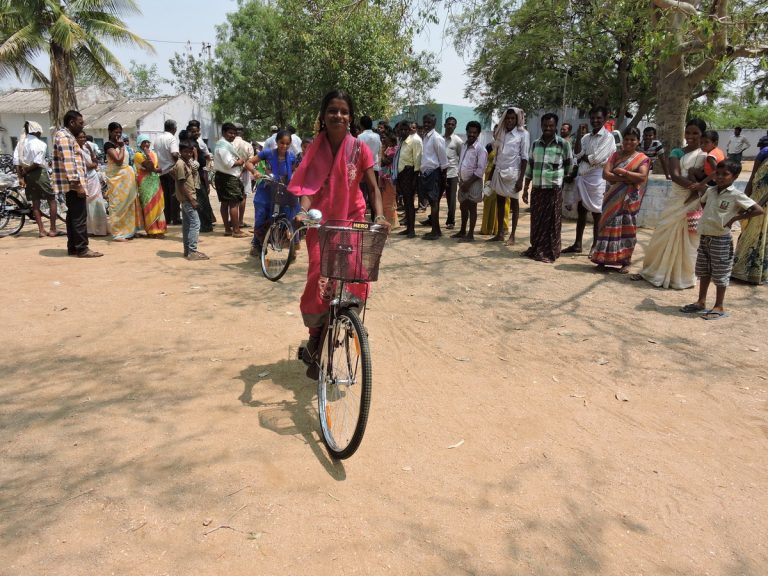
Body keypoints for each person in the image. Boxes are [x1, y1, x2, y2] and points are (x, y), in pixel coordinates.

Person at [287, 90, 389, 378]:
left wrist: (379, 216)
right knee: (318, 277)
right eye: (333, 110)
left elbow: (373, 187)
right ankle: (316, 337)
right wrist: (302, 212)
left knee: (352, 274)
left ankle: (344, 322)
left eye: (344, 111)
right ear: (324, 115)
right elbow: (308, 190)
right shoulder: (314, 148)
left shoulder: (360, 148)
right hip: (321, 223)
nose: (338, 116)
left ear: (351, 117)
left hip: (352, 217)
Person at [679, 159, 763, 318]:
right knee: (704, 271)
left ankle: (719, 306)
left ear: (735, 176)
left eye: (725, 174)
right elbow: (704, 204)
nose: (720, 177)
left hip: (721, 240)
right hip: (705, 237)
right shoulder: (710, 191)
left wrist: (734, 219)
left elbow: (758, 210)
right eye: (718, 173)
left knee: (721, 272)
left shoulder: (736, 195)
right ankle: (700, 302)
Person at [632, 118, 708, 288]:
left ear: (702, 134)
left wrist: (701, 187)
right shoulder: (677, 152)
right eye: (688, 132)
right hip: (677, 199)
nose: (691, 136)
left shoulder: (707, 155)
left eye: (695, 133)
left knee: (689, 238)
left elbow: (712, 177)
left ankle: (682, 277)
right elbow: (674, 175)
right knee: (663, 233)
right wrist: (695, 186)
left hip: (694, 201)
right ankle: (654, 271)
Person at [589, 127, 650, 273]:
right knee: (607, 225)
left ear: (638, 141)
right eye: (627, 139)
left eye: (632, 139)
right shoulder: (615, 155)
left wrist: (623, 172)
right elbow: (606, 174)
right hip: (612, 197)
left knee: (627, 227)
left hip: (629, 199)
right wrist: (626, 179)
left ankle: (625, 261)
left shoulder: (642, 158)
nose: (629, 142)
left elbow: (642, 177)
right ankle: (602, 259)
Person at [563, 106, 616, 254]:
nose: (595, 120)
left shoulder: (608, 137)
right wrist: (580, 136)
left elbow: (598, 159)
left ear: (605, 119)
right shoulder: (586, 137)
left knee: (596, 212)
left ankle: (595, 245)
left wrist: (585, 157)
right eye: (593, 118)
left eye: (599, 118)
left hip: (597, 177)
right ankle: (577, 244)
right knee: (581, 210)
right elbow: (577, 154)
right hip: (583, 176)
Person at [521, 113, 573, 263]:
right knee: (536, 221)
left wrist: (559, 179)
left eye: (551, 126)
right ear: (541, 126)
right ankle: (536, 248)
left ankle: (550, 252)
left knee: (552, 223)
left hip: (553, 189)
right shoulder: (535, 144)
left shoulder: (563, 144)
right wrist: (525, 188)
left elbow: (570, 166)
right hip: (537, 188)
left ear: (555, 126)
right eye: (545, 126)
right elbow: (530, 166)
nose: (548, 128)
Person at [52, 110, 102, 257]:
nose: (82, 125)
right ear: (72, 122)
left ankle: (74, 247)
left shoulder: (66, 136)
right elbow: (69, 163)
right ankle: (82, 248)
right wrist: (78, 185)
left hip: (72, 185)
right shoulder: (65, 137)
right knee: (79, 217)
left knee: (73, 216)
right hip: (74, 185)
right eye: (80, 123)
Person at [252, 129, 297, 252]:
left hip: (282, 190)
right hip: (266, 189)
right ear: (277, 142)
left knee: (288, 216)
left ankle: (288, 246)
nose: (284, 146)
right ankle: (257, 244)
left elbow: (294, 171)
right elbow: (249, 163)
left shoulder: (292, 157)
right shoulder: (267, 153)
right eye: (282, 143)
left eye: (287, 144)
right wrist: (255, 172)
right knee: (261, 217)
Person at [489, 107, 529, 245]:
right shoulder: (501, 132)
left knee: (514, 204)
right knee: (500, 202)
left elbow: (524, 158)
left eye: (512, 118)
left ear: (517, 119)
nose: (510, 121)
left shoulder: (523, 134)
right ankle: (500, 233)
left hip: (513, 174)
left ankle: (512, 235)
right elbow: (497, 154)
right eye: (508, 118)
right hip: (500, 171)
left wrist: (520, 180)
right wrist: (491, 174)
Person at [213, 122, 258, 238]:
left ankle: (228, 229)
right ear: (224, 132)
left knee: (224, 203)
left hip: (222, 175)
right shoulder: (223, 146)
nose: (232, 135)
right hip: (229, 177)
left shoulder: (221, 144)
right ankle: (236, 230)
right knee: (233, 203)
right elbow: (230, 163)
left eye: (234, 133)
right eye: (230, 133)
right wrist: (240, 161)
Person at [732, 145, 768, 283]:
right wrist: (745, 201)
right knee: (750, 233)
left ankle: (760, 273)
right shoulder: (765, 152)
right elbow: (753, 178)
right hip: (758, 201)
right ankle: (742, 270)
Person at [20, 121, 62, 237]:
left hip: (27, 176)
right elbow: (38, 162)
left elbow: (16, 161)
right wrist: (27, 170)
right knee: (51, 199)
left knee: (35, 203)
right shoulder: (40, 144)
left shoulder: (21, 143)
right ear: (37, 131)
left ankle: (41, 230)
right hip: (39, 173)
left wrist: (21, 175)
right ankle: (53, 229)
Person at [104, 122, 141, 241]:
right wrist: (121, 147)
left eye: (120, 132)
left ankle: (129, 231)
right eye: (116, 132)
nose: (118, 134)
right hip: (117, 180)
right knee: (117, 205)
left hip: (127, 180)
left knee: (129, 205)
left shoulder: (120, 144)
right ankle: (118, 232)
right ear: (110, 132)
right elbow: (118, 161)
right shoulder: (109, 145)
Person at [451, 121, 487, 242]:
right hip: (463, 182)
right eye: (469, 132)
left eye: (474, 133)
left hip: (474, 182)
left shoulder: (481, 149)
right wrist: (462, 181)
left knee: (472, 208)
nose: (471, 134)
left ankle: (470, 234)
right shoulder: (464, 145)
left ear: (478, 134)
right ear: (466, 132)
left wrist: (468, 183)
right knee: (463, 207)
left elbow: (480, 169)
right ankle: (462, 231)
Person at [172, 140, 208, 260]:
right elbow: (182, 185)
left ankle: (187, 250)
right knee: (195, 223)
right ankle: (192, 251)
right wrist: (192, 200)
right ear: (180, 152)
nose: (188, 154)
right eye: (185, 152)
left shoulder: (186, 163)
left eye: (190, 152)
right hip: (188, 198)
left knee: (187, 225)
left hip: (187, 198)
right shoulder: (181, 164)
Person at [418, 113, 448, 239]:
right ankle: (436, 230)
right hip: (426, 174)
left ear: (434, 124)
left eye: (429, 122)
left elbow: (444, 160)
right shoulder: (425, 137)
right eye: (425, 122)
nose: (426, 124)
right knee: (431, 202)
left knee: (434, 202)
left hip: (434, 173)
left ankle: (435, 232)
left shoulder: (437, 138)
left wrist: (443, 179)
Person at [133, 134, 167, 237]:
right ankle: (152, 231)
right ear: (139, 143)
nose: (147, 144)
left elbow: (158, 167)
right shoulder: (138, 155)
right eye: (144, 142)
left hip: (155, 181)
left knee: (158, 204)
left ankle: (160, 229)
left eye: (148, 142)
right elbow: (151, 167)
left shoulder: (154, 154)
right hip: (145, 183)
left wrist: (156, 169)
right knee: (149, 205)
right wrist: (147, 155)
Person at [76, 131, 109, 236]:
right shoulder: (77, 151)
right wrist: (94, 164)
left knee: (98, 202)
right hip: (85, 179)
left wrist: (90, 150)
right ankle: (91, 229)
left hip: (93, 178)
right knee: (88, 204)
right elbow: (91, 165)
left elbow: (95, 162)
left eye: (84, 137)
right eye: (80, 137)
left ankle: (101, 229)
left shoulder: (86, 149)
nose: (83, 139)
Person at [394, 119, 422, 238]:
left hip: (410, 174)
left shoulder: (415, 141)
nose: (404, 131)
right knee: (406, 202)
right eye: (401, 129)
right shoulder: (401, 141)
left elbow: (418, 161)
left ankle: (412, 230)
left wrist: (415, 179)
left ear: (410, 130)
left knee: (410, 203)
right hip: (401, 174)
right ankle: (408, 228)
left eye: (406, 129)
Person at [186, 121, 214, 232]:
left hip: (200, 173)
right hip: (195, 174)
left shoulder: (197, 142)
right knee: (201, 199)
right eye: (193, 131)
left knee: (203, 199)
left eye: (197, 131)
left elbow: (205, 157)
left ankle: (207, 224)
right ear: (189, 132)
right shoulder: (190, 144)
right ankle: (205, 224)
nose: (196, 133)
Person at [155, 119, 181, 225]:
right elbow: (174, 154)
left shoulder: (157, 139)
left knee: (165, 196)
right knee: (174, 195)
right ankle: (176, 218)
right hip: (171, 169)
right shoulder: (171, 138)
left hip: (161, 171)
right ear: (173, 128)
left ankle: (167, 217)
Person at [442, 116, 463, 230]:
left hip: (452, 173)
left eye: (452, 124)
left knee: (451, 199)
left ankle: (451, 221)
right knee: (435, 197)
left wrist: (459, 174)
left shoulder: (458, 141)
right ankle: (432, 219)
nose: (450, 126)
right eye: (448, 124)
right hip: (440, 173)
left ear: (455, 126)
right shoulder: (440, 139)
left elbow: (461, 157)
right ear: (444, 125)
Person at [358, 115, 382, 209]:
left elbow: (359, 153)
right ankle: (375, 215)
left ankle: (362, 213)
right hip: (374, 166)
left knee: (363, 193)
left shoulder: (360, 137)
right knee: (374, 191)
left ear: (361, 125)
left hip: (363, 168)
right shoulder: (377, 136)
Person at [378, 129, 400, 228]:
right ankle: (390, 222)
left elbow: (387, 162)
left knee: (389, 201)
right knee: (386, 201)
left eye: (384, 137)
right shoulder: (388, 148)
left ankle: (392, 223)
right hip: (385, 177)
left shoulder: (394, 149)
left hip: (390, 178)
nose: (383, 139)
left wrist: (381, 155)